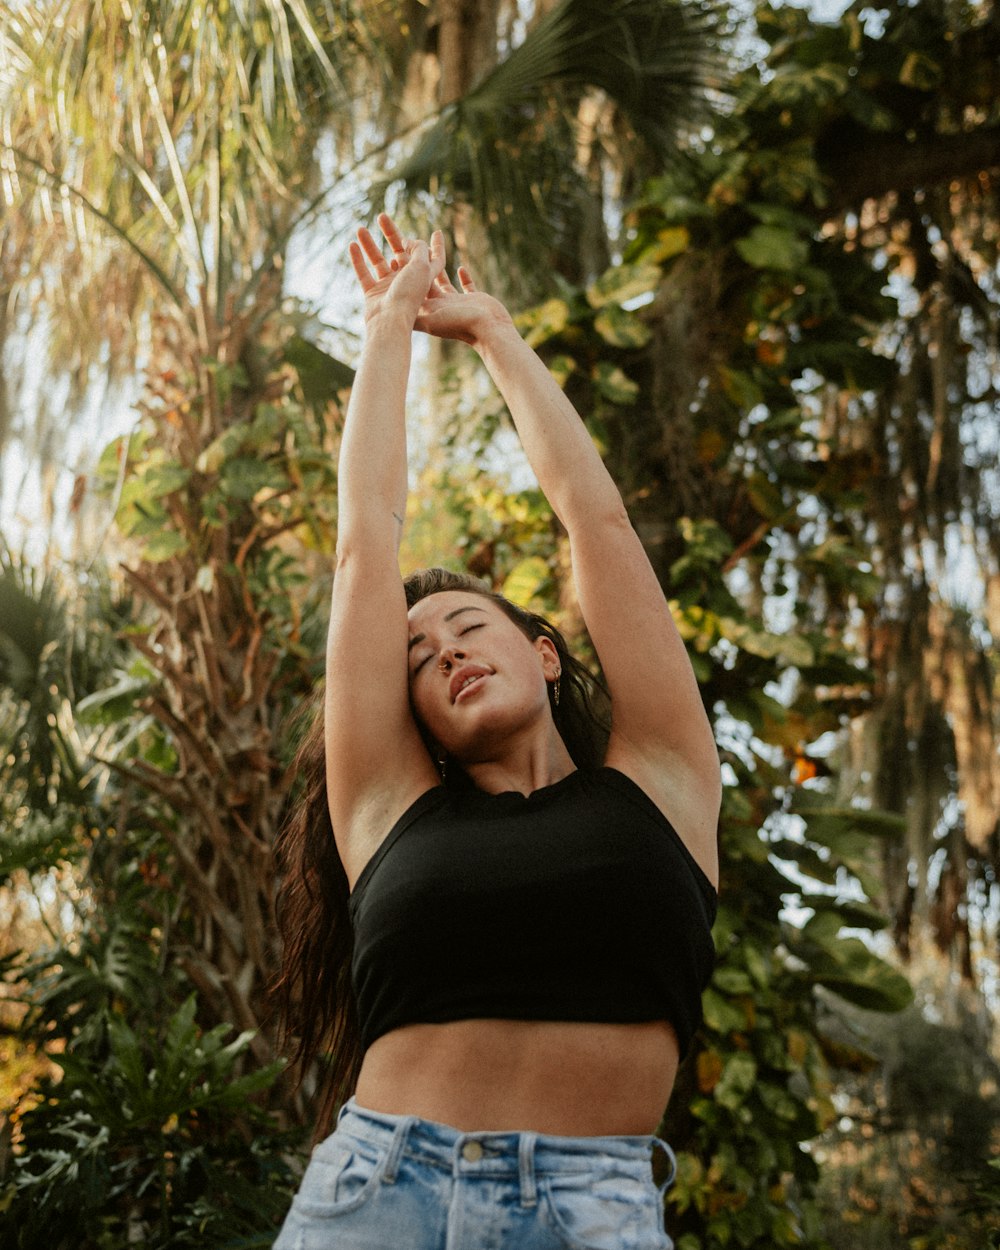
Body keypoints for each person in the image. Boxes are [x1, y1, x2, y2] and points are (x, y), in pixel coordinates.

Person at [272, 215, 721, 1250]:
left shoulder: (661, 778)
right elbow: (363, 544)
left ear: (547, 652)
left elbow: (595, 520)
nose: (445, 652)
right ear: (413, 718)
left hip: (591, 1210)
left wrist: (493, 335)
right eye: (418, 660)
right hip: (378, 1190)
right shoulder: (388, 812)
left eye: (468, 625)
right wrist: (387, 328)